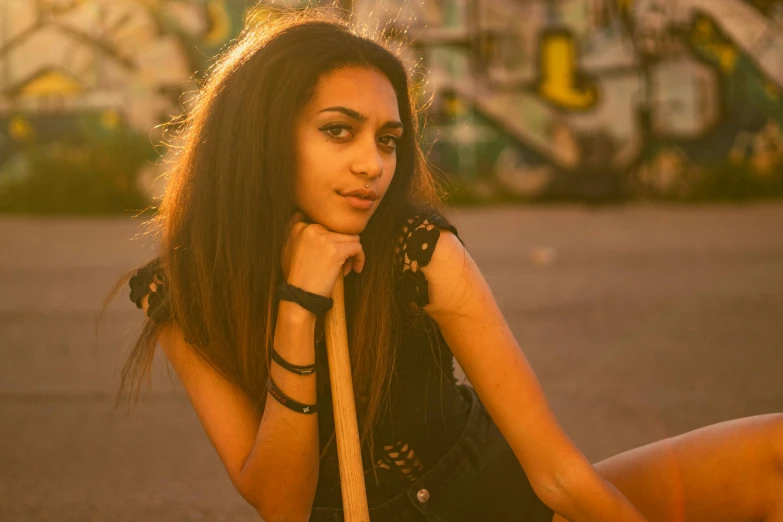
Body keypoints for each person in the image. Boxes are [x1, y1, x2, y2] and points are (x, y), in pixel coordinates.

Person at [108, 8, 783, 522]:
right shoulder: (187, 290)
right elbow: (279, 504)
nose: (371, 164)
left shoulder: (416, 250)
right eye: (338, 131)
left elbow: (555, 473)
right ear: (261, 138)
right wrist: (297, 306)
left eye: (388, 139)